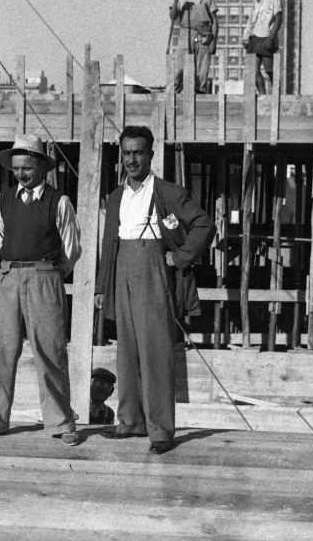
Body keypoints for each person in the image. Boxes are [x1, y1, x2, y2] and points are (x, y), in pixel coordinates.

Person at [94, 126, 215, 454]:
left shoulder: (167, 192)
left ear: (150, 155)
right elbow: (109, 244)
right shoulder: (116, 196)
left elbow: (204, 224)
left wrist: (177, 257)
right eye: (126, 153)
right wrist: (102, 287)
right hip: (122, 273)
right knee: (127, 351)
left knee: (157, 352)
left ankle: (161, 430)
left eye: (138, 152)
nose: (131, 159)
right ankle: (130, 421)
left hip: (154, 272)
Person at [0, 134, 83, 446]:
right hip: (10, 277)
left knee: (50, 352)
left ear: (42, 168)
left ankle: (60, 423)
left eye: (27, 169)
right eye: (16, 169)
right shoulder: (3, 200)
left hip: (45, 277)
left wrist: (50, 273)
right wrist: (16, 266)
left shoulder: (59, 202)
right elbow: (0, 240)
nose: (21, 175)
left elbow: (72, 248)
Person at [170, 0, 218, 94]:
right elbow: (173, 16)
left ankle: (200, 91)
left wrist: (214, 41)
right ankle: (176, 90)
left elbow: (214, 20)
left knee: (202, 63)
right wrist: (175, 1)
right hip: (186, 33)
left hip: (202, 33)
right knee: (180, 63)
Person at [241, 0, 283, 94]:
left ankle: (277, 95)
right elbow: (251, 20)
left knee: (269, 69)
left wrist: (271, 37)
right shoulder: (256, 0)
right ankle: (263, 97)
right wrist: (245, 36)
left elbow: (278, 19)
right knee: (253, 71)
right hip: (254, 38)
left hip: (266, 37)